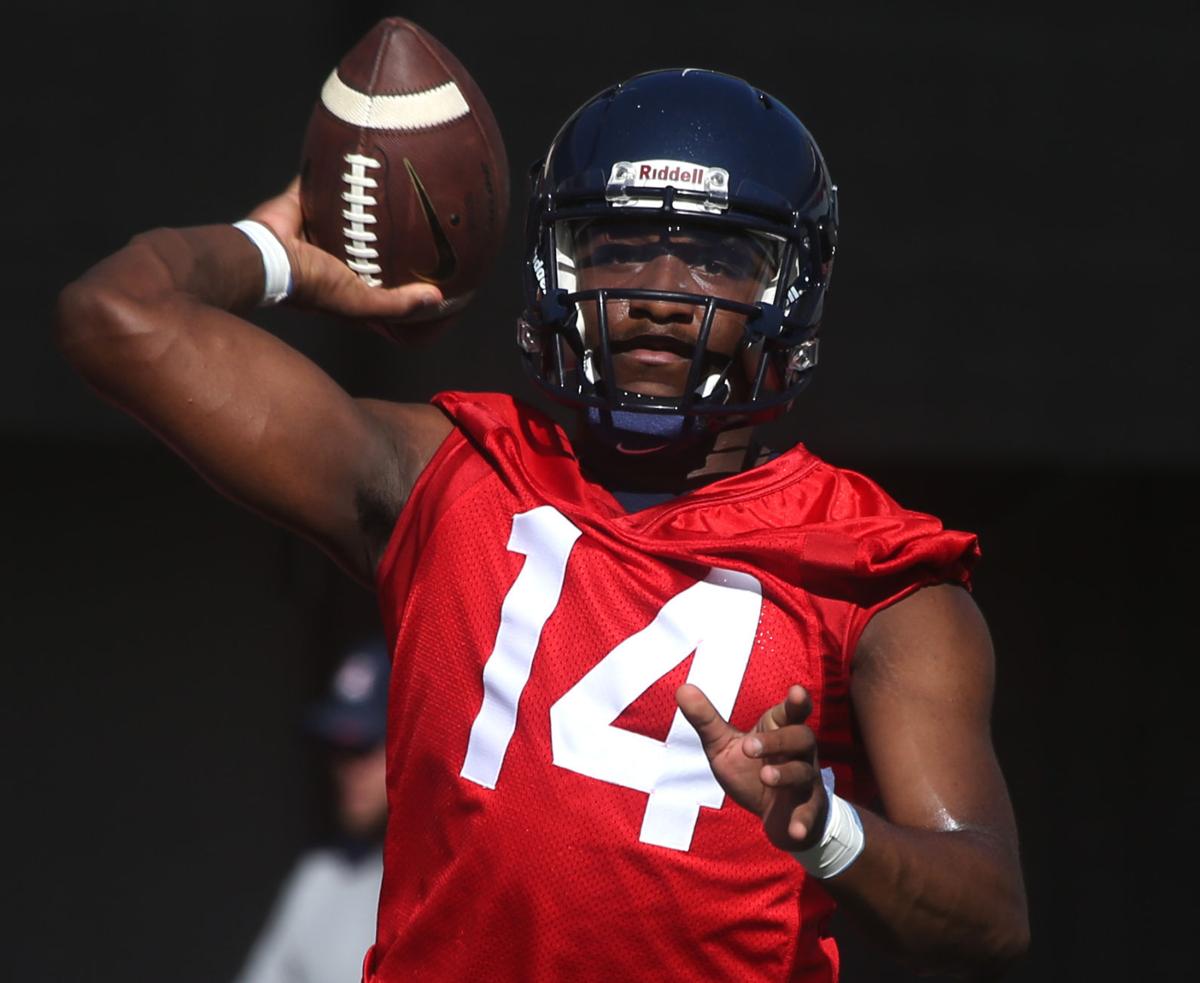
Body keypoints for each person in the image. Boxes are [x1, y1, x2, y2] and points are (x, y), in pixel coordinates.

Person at [57, 69, 1029, 981]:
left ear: (790, 288)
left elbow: (989, 908)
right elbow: (115, 315)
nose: (657, 288)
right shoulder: (450, 470)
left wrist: (827, 827)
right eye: (615, 243)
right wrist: (279, 254)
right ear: (552, 262)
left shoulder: (876, 573)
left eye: (718, 256)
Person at [235, 640, 390, 983]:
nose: (348, 770)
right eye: (339, 751)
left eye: (365, 748)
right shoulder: (319, 881)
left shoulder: (447, 884)